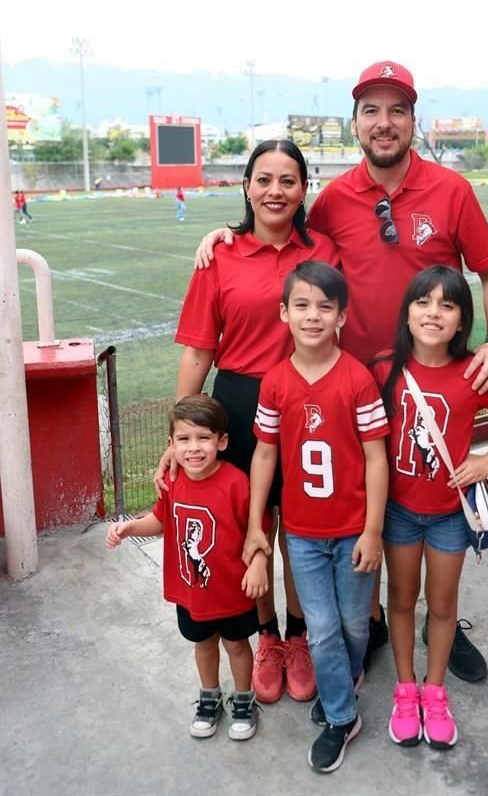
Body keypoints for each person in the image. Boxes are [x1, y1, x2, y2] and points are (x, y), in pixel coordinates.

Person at [194, 60, 488, 681]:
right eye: (372, 110)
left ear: (413, 121)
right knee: (368, 507)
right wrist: (225, 233)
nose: (384, 122)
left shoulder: (452, 190)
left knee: (438, 503)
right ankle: (366, 624)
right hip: (353, 390)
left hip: (433, 385)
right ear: (356, 123)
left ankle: (439, 616)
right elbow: (279, 229)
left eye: (397, 110)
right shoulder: (337, 199)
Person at [157, 140, 338, 706]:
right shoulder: (221, 255)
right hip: (239, 399)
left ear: (305, 189)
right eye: (264, 179)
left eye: (288, 180)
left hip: (308, 399)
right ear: (246, 186)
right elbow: (197, 351)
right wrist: (177, 432)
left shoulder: (326, 252)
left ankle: (300, 635)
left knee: (302, 531)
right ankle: (264, 637)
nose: (275, 191)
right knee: (249, 527)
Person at [371, 266, 488, 750]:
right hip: (398, 512)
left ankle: (435, 691)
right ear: (406, 313)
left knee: (441, 606)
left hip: (448, 514)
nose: (434, 313)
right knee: (400, 601)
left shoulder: (474, 372)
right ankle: (405, 689)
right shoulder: (384, 367)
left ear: (463, 321)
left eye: (447, 304)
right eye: (423, 302)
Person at [243, 261, 389, 773]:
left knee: (353, 625)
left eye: (324, 307)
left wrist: (373, 530)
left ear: (342, 317)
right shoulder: (275, 382)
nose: (312, 316)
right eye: (301, 305)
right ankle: (343, 717)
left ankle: (339, 684)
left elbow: (376, 456)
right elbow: (264, 454)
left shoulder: (358, 379)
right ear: (284, 313)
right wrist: (256, 525)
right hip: (302, 534)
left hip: (351, 530)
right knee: (323, 627)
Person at [106, 395, 269, 741]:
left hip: (233, 591)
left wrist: (257, 564)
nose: (193, 448)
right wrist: (129, 528)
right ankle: (209, 697)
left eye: (203, 438)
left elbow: (257, 531)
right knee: (204, 643)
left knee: (237, 645)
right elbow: (160, 520)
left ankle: (244, 699)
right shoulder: (173, 483)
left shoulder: (238, 484)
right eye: (184, 439)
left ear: (221, 441)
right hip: (192, 592)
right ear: (171, 445)